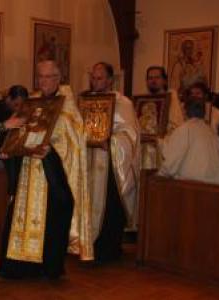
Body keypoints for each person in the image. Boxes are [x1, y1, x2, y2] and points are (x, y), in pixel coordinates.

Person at [0, 60, 91, 279]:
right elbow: (20, 130)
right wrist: (10, 148)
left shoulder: (67, 105)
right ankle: (17, 266)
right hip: (28, 170)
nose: (43, 81)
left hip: (51, 173)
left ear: (58, 78)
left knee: (53, 219)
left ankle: (48, 267)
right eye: (40, 76)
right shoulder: (32, 103)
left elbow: (74, 138)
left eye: (48, 77)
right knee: (19, 216)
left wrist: (51, 149)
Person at [70, 62, 140, 262]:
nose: (95, 81)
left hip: (109, 164)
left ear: (110, 80)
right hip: (87, 161)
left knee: (109, 206)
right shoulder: (84, 100)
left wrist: (109, 143)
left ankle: (107, 250)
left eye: (100, 78)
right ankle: (86, 246)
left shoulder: (122, 103)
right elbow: (77, 127)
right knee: (85, 203)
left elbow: (130, 134)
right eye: (93, 77)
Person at [159, 97, 219, 185]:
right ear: (204, 113)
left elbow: (170, 166)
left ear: (184, 112)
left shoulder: (184, 130)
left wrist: (158, 176)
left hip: (193, 190)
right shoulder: (213, 134)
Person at [141, 66, 185, 169]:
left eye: (157, 77)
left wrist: (160, 139)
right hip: (144, 147)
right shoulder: (142, 101)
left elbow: (176, 126)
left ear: (164, 81)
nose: (153, 81)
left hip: (161, 148)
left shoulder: (171, 99)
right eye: (150, 78)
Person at [0, 85, 27, 169]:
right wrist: (6, 125)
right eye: (16, 104)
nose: (18, 108)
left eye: (22, 105)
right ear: (9, 98)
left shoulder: (20, 111)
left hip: (11, 154)